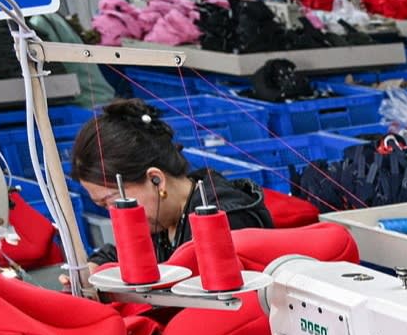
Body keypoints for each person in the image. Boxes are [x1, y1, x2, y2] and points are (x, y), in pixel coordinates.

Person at [69, 100, 272, 249]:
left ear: (156, 180)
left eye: (113, 201)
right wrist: (94, 266)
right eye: (105, 207)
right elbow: (120, 253)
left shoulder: (225, 221)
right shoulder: (163, 220)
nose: (115, 216)